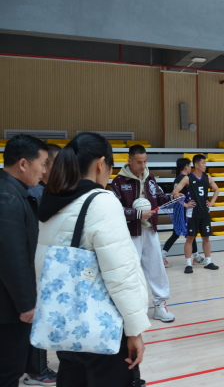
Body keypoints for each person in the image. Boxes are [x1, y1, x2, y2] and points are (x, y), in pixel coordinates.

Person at [36, 132, 149, 386]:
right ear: (101, 163)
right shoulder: (101, 202)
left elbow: (42, 264)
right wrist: (134, 330)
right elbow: (120, 274)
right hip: (101, 326)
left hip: (65, 323)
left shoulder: (53, 200)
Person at [0, 135, 49, 387]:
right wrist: (26, 304)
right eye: (42, 163)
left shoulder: (12, 191)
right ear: (23, 164)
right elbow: (12, 257)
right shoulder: (8, 197)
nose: (44, 171)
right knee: (9, 372)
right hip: (9, 308)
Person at [111, 145, 179, 323]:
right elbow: (115, 209)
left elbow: (159, 198)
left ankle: (160, 305)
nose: (143, 166)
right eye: (139, 162)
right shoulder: (118, 182)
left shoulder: (150, 178)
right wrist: (138, 214)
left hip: (150, 230)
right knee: (130, 271)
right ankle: (131, 309)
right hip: (130, 233)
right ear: (129, 161)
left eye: (145, 161)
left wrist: (172, 197)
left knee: (156, 268)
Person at [13, 143, 60, 386]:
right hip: (34, 269)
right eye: (51, 164)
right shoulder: (36, 193)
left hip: (38, 266)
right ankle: (37, 370)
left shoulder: (42, 191)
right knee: (37, 317)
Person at [172, 154, 220, 274]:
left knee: (206, 238)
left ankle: (208, 262)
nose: (205, 165)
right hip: (192, 213)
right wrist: (185, 204)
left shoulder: (207, 177)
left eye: (205, 163)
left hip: (204, 212)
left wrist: (211, 202)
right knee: (190, 238)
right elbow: (175, 192)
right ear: (196, 165)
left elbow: (217, 189)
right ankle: (188, 264)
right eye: (203, 163)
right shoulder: (187, 178)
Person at [162, 158, 198, 268]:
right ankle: (162, 256)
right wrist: (185, 204)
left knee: (190, 233)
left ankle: (196, 256)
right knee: (178, 233)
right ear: (186, 167)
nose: (191, 168)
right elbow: (175, 194)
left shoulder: (177, 179)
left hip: (178, 210)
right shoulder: (184, 178)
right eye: (190, 166)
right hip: (182, 210)